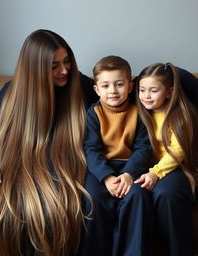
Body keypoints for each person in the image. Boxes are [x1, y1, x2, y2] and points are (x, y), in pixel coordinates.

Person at [0, 29, 97, 256]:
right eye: (54, 66)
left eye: (67, 61)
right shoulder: (10, 94)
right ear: (35, 69)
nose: (64, 70)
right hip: (20, 169)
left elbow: (121, 98)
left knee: (90, 204)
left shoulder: (81, 87)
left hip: (67, 169)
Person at [134, 62, 198, 256]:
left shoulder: (181, 111)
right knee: (165, 194)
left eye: (153, 90)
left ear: (170, 91)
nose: (146, 95)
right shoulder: (137, 108)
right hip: (168, 169)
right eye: (142, 90)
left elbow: (179, 148)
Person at [78, 56, 153, 256]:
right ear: (97, 90)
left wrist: (129, 174)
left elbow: (143, 148)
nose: (112, 91)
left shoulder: (139, 113)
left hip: (131, 167)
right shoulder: (93, 114)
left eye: (119, 84)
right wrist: (107, 177)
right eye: (106, 85)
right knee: (93, 198)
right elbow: (91, 150)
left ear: (130, 86)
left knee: (138, 195)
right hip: (101, 169)